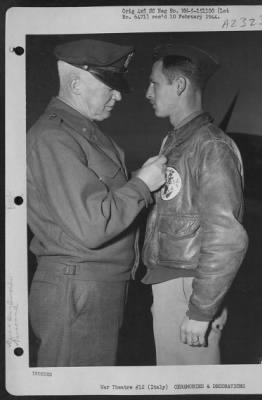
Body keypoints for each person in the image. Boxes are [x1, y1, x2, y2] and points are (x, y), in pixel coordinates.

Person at [27, 39, 166, 367]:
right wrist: (143, 184)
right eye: (111, 86)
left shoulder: (82, 133)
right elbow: (92, 225)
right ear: (76, 84)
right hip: (76, 290)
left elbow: (95, 195)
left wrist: (140, 180)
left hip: (94, 287)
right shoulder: (53, 137)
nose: (118, 96)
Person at [142, 44, 249, 365]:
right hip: (171, 282)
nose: (148, 92)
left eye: (154, 83)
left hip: (189, 288)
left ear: (179, 85)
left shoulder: (211, 145)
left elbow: (227, 236)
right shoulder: (176, 142)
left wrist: (201, 311)